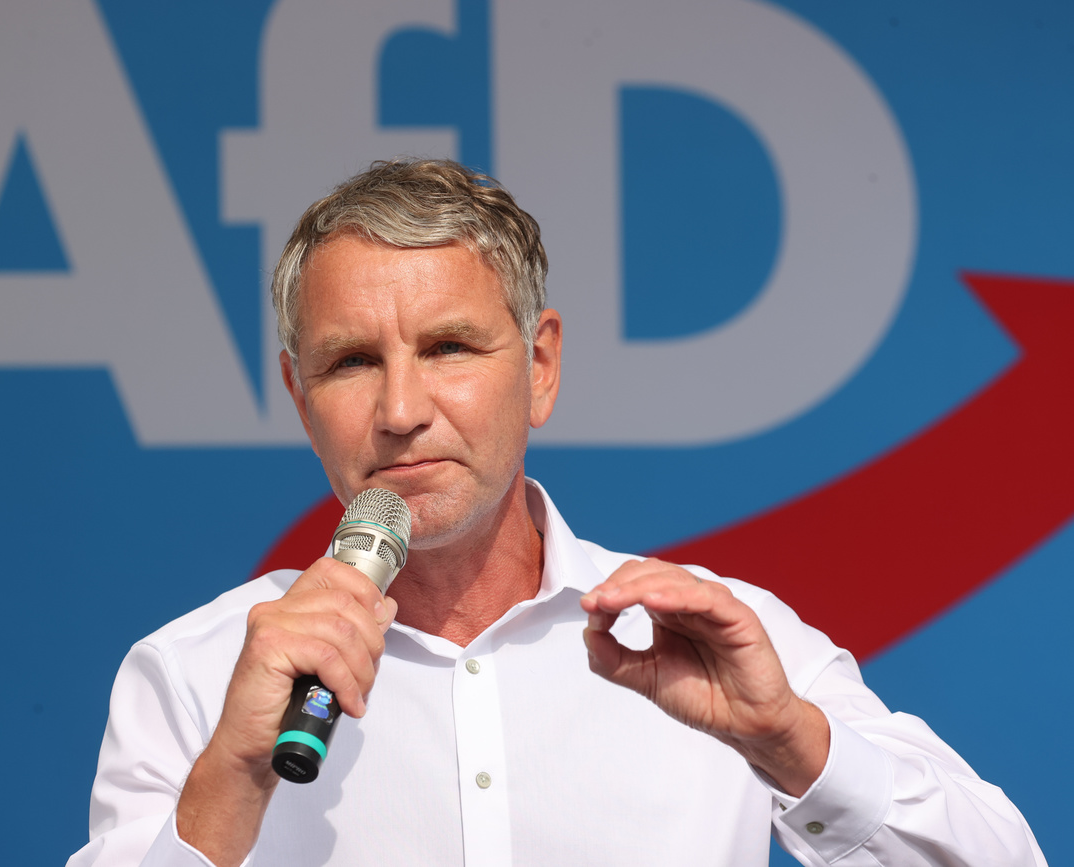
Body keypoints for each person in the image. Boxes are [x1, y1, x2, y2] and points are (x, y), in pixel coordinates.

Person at [68, 158, 1046, 867]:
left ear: (539, 369)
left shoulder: (711, 638)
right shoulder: (196, 672)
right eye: (352, 362)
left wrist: (789, 739)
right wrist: (233, 779)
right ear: (299, 394)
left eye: (449, 347)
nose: (402, 410)